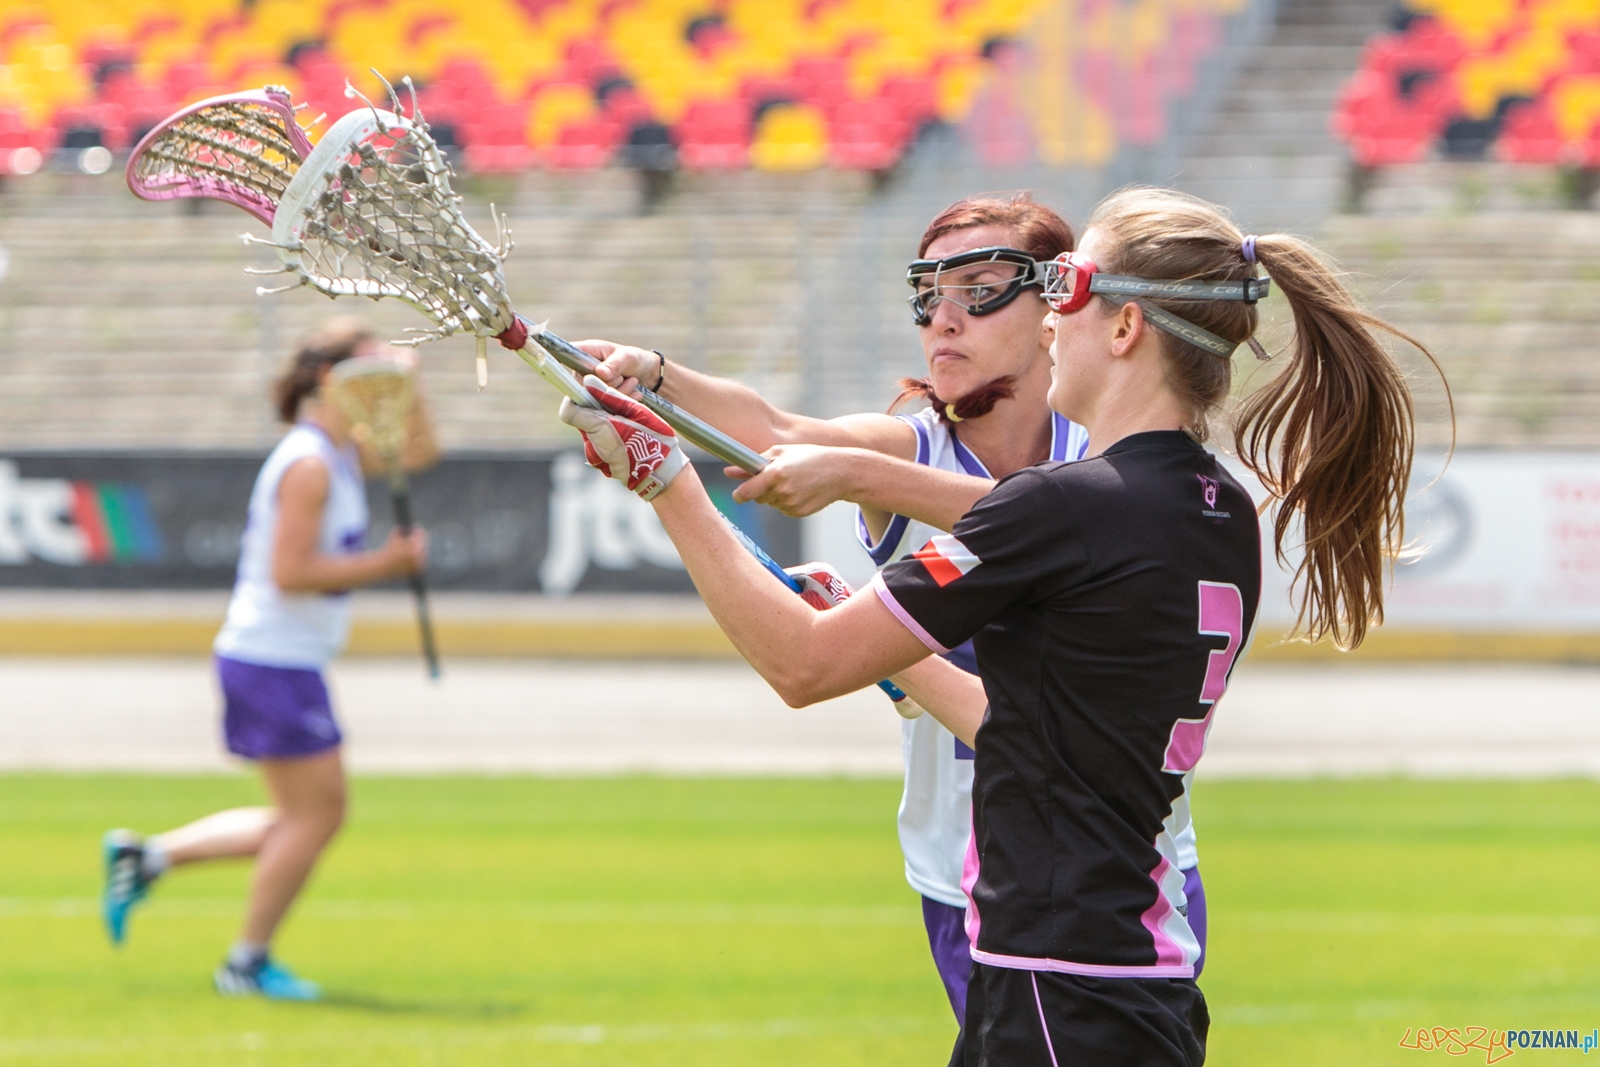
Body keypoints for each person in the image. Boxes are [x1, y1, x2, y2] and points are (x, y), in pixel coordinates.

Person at [558, 186, 1434, 1065]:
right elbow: (1028, 718)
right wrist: (905, 660)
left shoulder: (1060, 509)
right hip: (1122, 963)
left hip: (1063, 976)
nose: (1055, 318)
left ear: (1126, 327)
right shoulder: (1221, 510)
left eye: (1067, 285)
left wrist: (662, 477)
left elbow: (803, 664)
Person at [580, 193, 1154, 1028]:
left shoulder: (1106, 462)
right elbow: (777, 426)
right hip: (966, 873)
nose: (944, 319)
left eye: (980, 288)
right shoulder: (917, 445)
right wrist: (657, 376)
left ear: (1054, 308)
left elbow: (1041, 526)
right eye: (929, 296)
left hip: (1125, 867)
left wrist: (894, 646)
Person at [99, 318, 436, 1000]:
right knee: (317, 815)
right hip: (272, 659)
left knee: (302, 817)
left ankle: (148, 856)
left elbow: (420, 450)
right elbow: (291, 571)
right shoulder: (309, 463)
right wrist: (389, 562)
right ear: (325, 380)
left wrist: (409, 390)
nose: (376, 388)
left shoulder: (340, 450)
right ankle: (245, 962)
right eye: (364, 376)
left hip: (283, 660)